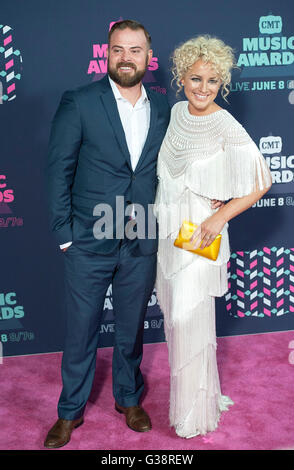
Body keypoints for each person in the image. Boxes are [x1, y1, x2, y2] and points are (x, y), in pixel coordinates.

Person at [44, 19, 171, 448]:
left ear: (148, 57)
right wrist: (65, 233)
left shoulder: (163, 108)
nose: (126, 57)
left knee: (131, 328)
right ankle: (69, 411)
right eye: (118, 49)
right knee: (81, 329)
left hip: (141, 237)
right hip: (89, 239)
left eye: (135, 50)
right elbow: (58, 169)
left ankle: (129, 398)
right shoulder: (80, 102)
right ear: (107, 53)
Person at [154, 35, 272, 439]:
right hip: (171, 234)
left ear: (221, 82)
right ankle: (197, 397)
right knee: (177, 321)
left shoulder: (225, 122)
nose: (202, 88)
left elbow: (261, 181)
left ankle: (192, 416)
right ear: (181, 78)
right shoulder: (174, 113)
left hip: (200, 235)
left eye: (211, 80)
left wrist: (220, 215)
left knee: (191, 320)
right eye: (194, 78)